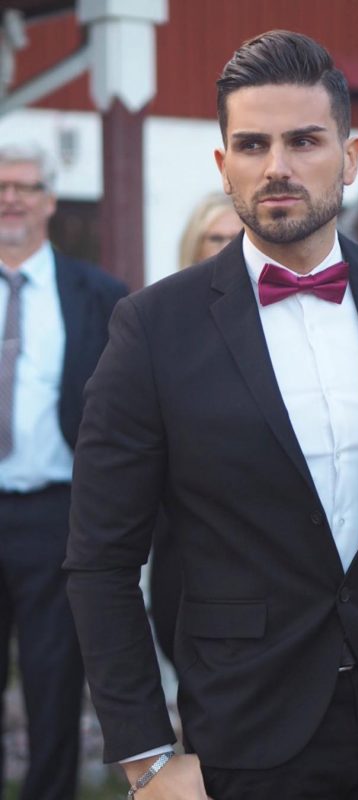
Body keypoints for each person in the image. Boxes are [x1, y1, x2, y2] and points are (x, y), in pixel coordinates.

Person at [64, 30, 358, 800]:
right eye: (252, 144)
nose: (277, 166)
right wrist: (144, 755)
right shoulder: (152, 328)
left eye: (304, 140)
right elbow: (101, 558)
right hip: (249, 727)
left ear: (349, 155)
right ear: (223, 164)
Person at [0, 143, 127, 800]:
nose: (12, 197)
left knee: (54, 684)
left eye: (27, 185)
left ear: (51, 200)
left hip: (58, 516)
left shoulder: (98, 296)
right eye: (2, 185)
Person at [150, 193, 242, 666]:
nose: (228, 248)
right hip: (184, 539)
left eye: (238, 238)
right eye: (217, 238)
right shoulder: (159, 328)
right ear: (195, 247)